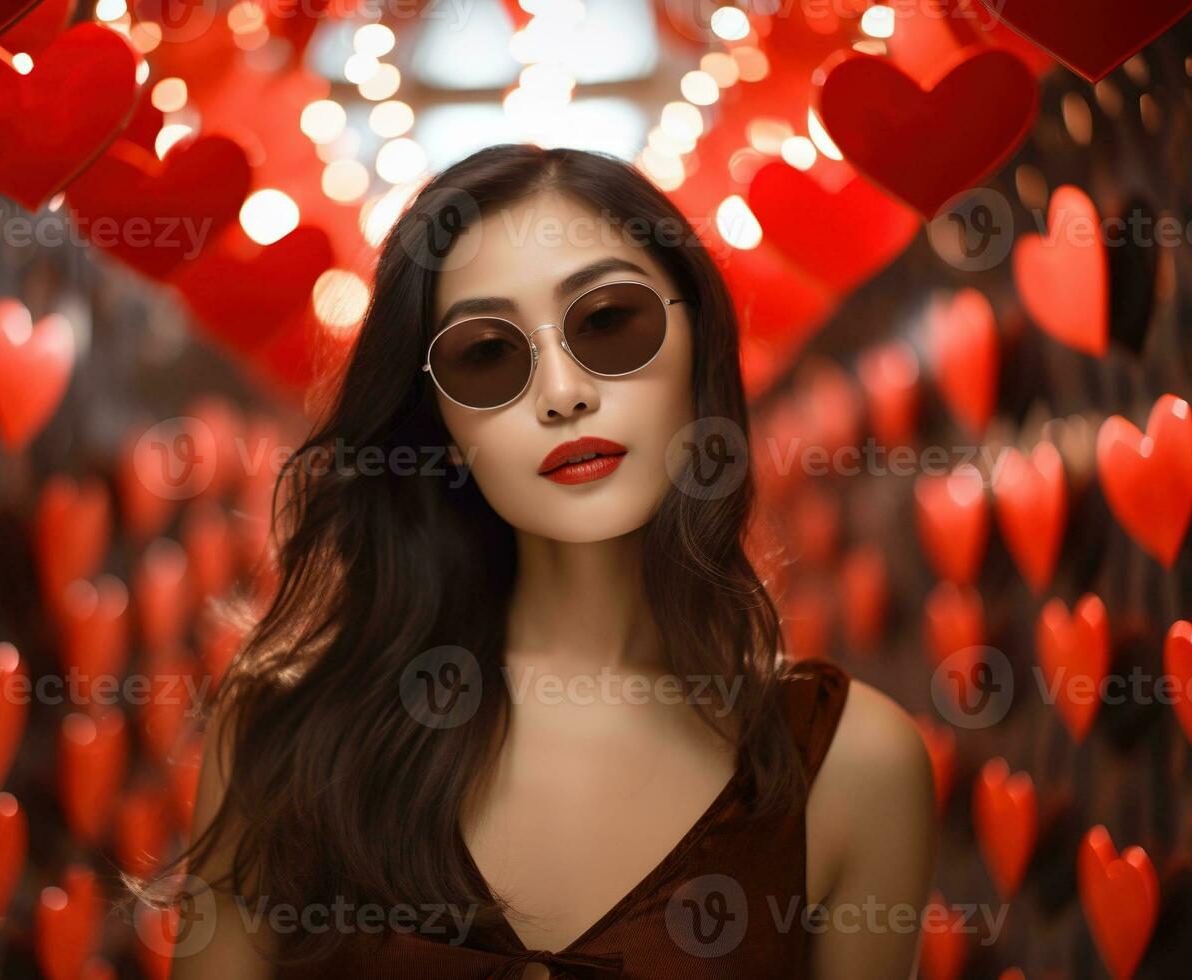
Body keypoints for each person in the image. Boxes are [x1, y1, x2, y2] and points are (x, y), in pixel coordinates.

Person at [146, 143, 937, 980]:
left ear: (698, 340)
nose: (562, 392)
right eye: (487, 354)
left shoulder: (854, 767)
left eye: (607, 322)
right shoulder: (285, 732)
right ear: (437, 421)